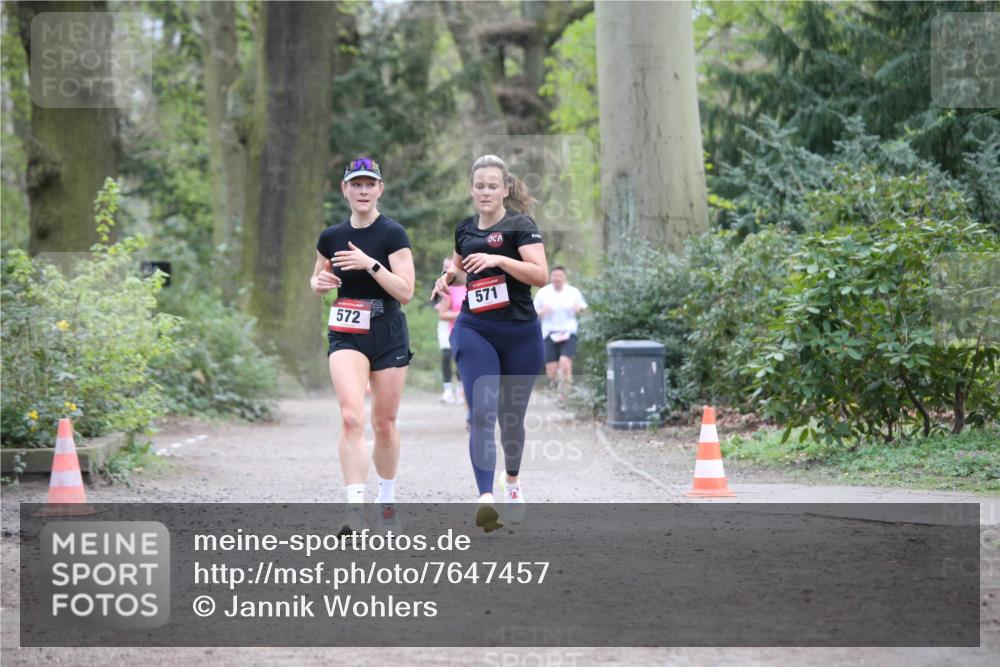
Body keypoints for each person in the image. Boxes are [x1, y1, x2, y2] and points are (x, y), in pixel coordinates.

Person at [432, 154, 547, 531]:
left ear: (505, 189)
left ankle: (511, 483)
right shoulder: (465, 229)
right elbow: (459, 266)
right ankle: (485, 499)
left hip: (519, 332)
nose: (485, 192)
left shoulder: (520, 225)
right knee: (481, 411)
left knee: (511, 419)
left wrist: (498, 260)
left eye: (492, 186)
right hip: (475, 328)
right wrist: (446, 278)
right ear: (471, 189)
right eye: (479, 186)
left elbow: (540, 274)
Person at [311, 157, 414, 535]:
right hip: (346, 330)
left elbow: (406, 292)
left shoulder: (393, 234)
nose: (363, 190)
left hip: (387, 330)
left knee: (383, 424)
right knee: (351, 416)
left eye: (370, 184)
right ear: (345, 190)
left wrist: (370, 264)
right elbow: (318, 275)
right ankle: (354, 510)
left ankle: (386, 502)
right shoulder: (331, 236)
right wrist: (319, 284)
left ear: (380, 190)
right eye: (356, 184)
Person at [534, 266, 587, 394]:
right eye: (555, 275)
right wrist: (542, 311)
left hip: (568, 332)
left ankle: (566, 396)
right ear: (550, 277)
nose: (557, 278)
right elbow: (533, 312)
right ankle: (557, 383)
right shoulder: (543, 292)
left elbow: (584, 308)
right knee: (551, 371)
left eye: (560, 275)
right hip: (549, 332)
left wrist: (578, 309)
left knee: (565, 364)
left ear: (564, 277)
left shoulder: (573, 292)